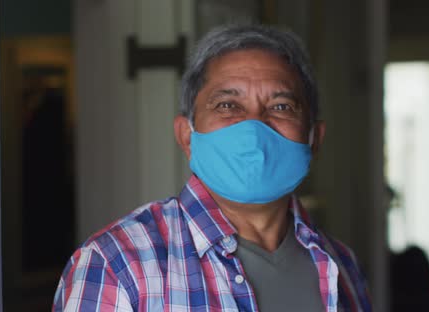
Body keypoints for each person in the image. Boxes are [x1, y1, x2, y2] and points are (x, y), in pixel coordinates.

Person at [53, 25, 372, 312]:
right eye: (228, 106)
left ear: (315, 137)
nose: (253, 128)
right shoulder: (116, 264)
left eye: (281, 107)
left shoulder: (341, 264)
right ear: (186, 135)